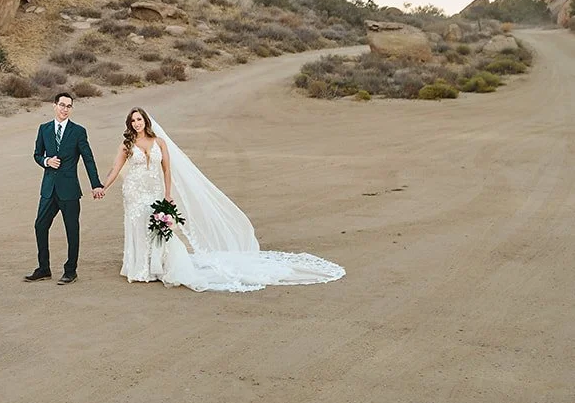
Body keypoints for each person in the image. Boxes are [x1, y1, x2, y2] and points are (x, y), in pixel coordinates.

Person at [101, 107, 345, 292]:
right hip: (134, 192)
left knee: (158, 229)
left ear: (146, 121)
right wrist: (103, 186)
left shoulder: (159, 142)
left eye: (139, 119)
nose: (136, 123)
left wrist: (168, 193)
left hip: (154, 191)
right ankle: (139, 267)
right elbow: (115, 168)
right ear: (129, 124)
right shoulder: (127, 144)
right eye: (133, 121)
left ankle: (158, 267)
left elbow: (167, 170)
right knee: (137, 226)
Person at [24, 92, 104, 285]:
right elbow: (36, 154)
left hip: (69, 190)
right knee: (40, 226)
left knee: (72, 230)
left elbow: (88, 159)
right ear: (54, 106)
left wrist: (96, 184)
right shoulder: (44, 129)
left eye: (68, 106)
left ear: (71, 109)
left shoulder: (78, 131)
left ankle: (71, 270)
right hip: (49, 189)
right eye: (62, 105)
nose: (65, 109)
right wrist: (46, 161)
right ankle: (43, 268)